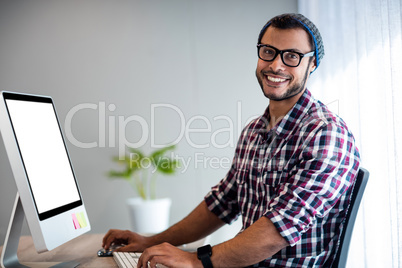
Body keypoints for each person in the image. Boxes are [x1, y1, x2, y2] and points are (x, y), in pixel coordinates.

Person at [102, 13, 360, 267]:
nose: (276, 65)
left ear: (312, 64)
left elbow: (279, 229)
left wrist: (194, 261)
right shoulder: (254, 131)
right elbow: (222, 203)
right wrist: (152, 241)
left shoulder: (326, 134)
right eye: (268, 51)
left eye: (292, 56)